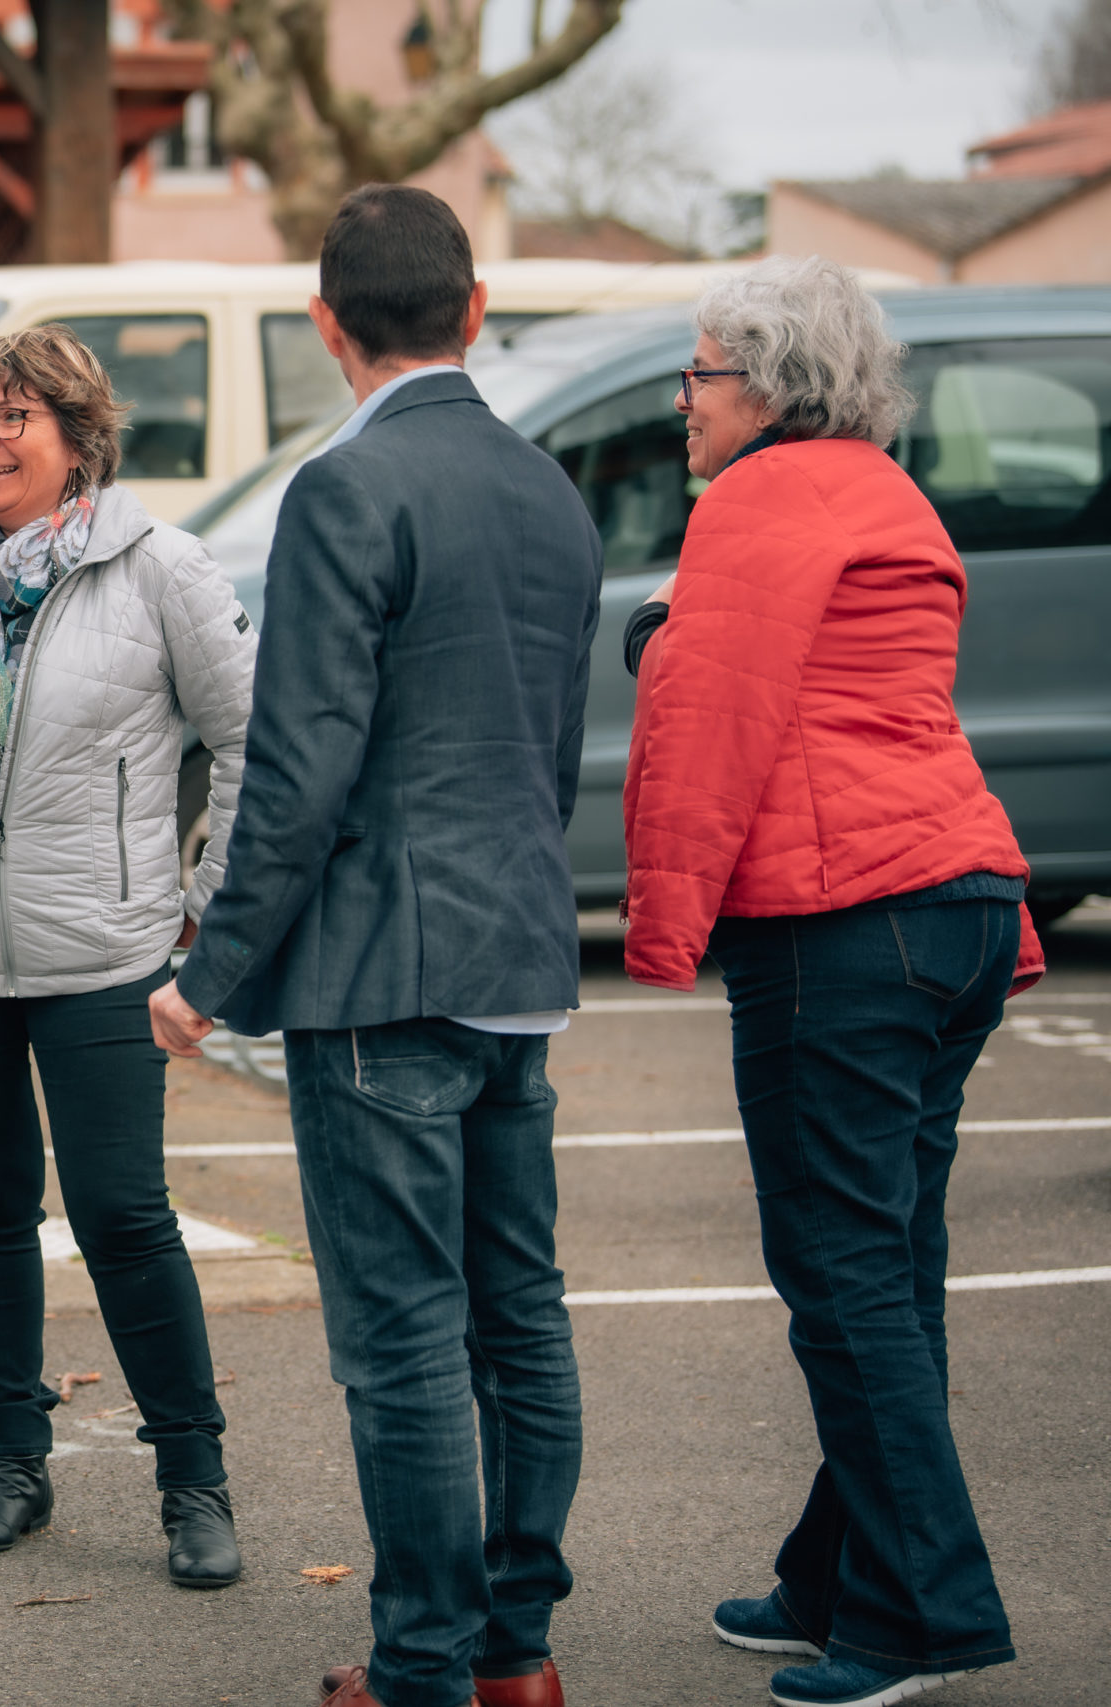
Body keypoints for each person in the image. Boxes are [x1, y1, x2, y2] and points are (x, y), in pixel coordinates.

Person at [150, 185, 600, 1707]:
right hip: (520, 958)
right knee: (518, 1317)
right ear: (473, 311)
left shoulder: (346, 491)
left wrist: (208, 974)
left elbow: (300, 766)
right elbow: (553, 741)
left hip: (382, 970)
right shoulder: (551, 484)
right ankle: (515, 1652)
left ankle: (421, 1664)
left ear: (325, 324)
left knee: (404, 1341)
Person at [622, 256, 1043, 1707]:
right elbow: (831, 685)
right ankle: (833, 1574)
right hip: (964, 901)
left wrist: (661, 925)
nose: (682, 401)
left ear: (772, 384)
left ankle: (924, 1608)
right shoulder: (884, 490)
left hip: (841, 920)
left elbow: (715, 714)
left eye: (701, 373)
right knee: (889, 1265)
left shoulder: (755, 499)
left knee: (845, 1274)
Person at [0, 323, 257, 1587]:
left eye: (12, 415)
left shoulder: (161, 568)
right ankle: (13, 1466)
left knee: (124, 1216)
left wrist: (204, 902)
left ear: (79, 438)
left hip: (103, 950)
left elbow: (247, 744)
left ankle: (193, 1479)